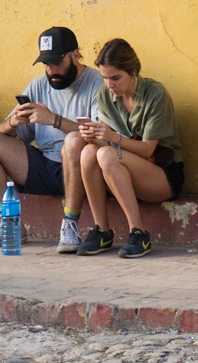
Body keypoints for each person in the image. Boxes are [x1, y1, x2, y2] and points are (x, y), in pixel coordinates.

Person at [0, 27, 102, 252]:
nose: (52, 70)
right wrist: (13, 123)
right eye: (46, 64)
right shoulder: (38, 85)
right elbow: (4, 134)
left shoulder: (97, 83)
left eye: (57, 62)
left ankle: (71, 225)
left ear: (75, 55)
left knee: (73, 141)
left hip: (81, 170)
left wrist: (54, 120)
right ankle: (10, 223)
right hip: (43, 166)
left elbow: (98, 134)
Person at [70, 39, 183, 258]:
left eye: (115, 78)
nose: (109, 84)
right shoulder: (105, 95)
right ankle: (101, 231)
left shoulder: (155, 94)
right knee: (89, 151)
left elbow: (148, 150)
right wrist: (93, 136)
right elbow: (108, 145)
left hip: (162, 173)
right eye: (104, 78)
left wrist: (112, 137)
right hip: (123, 169)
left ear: (133, 72)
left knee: (105, 153)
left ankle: (138, 233)